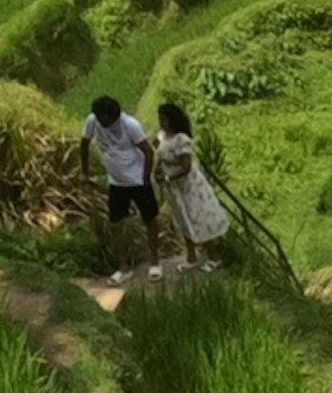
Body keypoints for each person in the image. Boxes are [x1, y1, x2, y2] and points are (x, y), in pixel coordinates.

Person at [81, 97, 157, 263]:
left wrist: (145, 178)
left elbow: (148, 152)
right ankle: (123, 266)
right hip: (116, 182)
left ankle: (155, 261)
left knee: (150, 220)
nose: (105, 123)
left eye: (108, 120)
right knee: (116, 223)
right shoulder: (92, 121)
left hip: (137, 180)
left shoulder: (130, 125)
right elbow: (84, 145)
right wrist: (85, 172)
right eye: (102, 120)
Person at [155, 102, 231, 267]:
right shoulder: (162, 137)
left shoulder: (181, 140)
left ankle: (213, 256)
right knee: (183, 218)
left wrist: (168, 176)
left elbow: (186, 167)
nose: (161, 122)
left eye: (164, 119)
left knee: (199, 216)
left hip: (188, 187)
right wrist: (159, 172)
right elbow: (160, 158)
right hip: (174, 189)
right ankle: (191, 257)